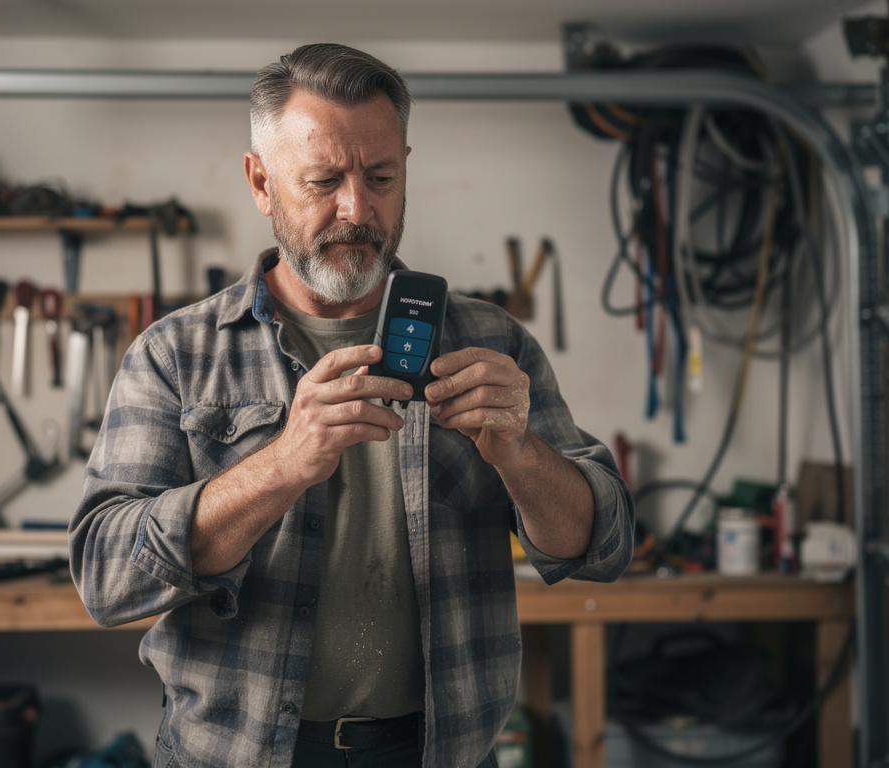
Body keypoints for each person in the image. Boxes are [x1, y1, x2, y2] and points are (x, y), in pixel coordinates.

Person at [70, 43, 634, 768]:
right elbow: (106, 578)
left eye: (381, 177)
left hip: (440, 753)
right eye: (324, 179)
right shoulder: (175, 355)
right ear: (260, 181)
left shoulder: (494, 342)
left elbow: (606, 544)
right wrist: (282, 465)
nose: (357, 209)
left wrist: (522, 458)